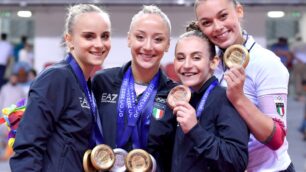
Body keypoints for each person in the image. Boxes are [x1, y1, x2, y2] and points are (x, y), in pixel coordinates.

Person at [194, 0, 294, 171]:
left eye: (223, 16)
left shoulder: (267, 63)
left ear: (239, 11)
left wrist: (239, 99)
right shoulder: (212, 63)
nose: (217, 27)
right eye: (207, 22)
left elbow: (277, 139)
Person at [10, 4, 111, 172]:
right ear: (69, 39)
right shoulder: (56, 78)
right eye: (89, 36)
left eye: (105, 36)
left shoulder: (86, 84)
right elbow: (28, 147)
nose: (99, 44)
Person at [92, 5, 176, 172]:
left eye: (158, 39)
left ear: (168, 44)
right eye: (140, 37)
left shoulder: (174, 94)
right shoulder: (102, 81)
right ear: (129, 39)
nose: (148, 47)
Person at [171, 22, 249, 172]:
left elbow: (237, 161)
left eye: (196, 57)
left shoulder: (225, 99)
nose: (187, 65)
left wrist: (195, 130)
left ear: (213, 62)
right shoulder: (184, 98)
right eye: (181, 58)